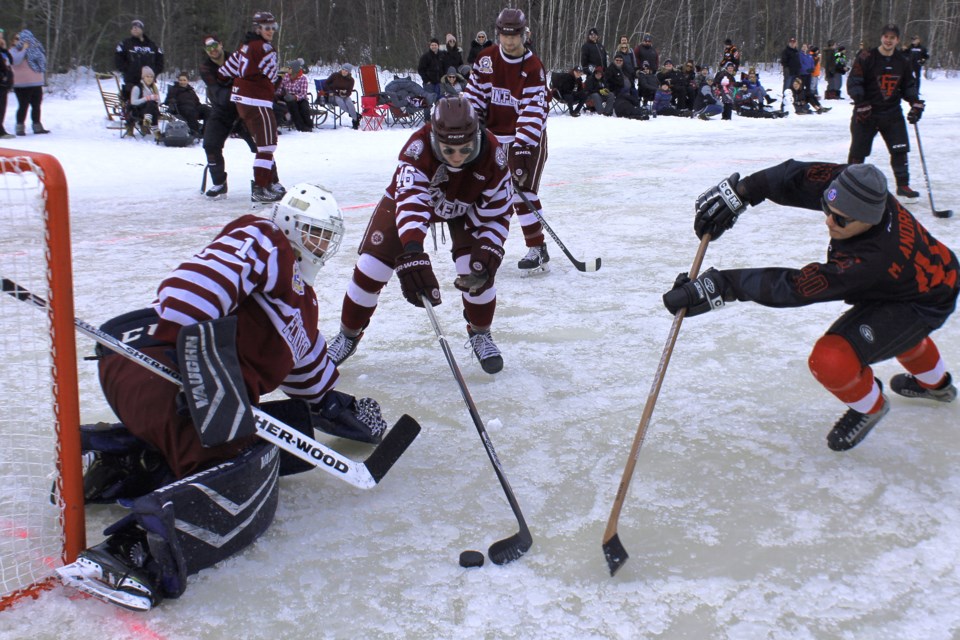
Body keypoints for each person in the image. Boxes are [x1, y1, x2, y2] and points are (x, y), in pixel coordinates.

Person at [57, 183, 395, 610]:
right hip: (160, 366)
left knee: (248, 449)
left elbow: (311, 380)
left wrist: (339, 409)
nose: (320, 245)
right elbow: (189, 293)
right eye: (313, 232)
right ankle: (128, 556)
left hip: (169, 396)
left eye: (326, 237)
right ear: (289, 223)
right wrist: (202, 366)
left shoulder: (302, 306)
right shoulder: (265, 239)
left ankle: (117, 461)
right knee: (244, 471)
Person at [665, 161, 957, 452]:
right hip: (916, 276)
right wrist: (742, 192)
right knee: (893, 332)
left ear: (868, 220)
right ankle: (938, 387)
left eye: (841, 220)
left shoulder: (869, 261)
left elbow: (796, 287)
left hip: (924, 300)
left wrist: (722, 286)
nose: (828, 221)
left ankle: (871, 405)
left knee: (832, 360)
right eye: (828, 209)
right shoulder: (851, 183)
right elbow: (796, 177)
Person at [327, 96, 514, 374]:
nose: (457, 157)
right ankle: (347, 334)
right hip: (407, 203)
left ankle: (481, 332)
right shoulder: (416, 149)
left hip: (467, 207)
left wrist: (489, 248)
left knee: (477, 271)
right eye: (448, 150)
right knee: (371, 268)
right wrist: (412, 250)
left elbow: (498, 212)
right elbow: (412, 203)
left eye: (465, 149)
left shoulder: (494, 156)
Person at [465, 8, 552, 275]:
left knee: (522, 192)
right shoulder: (486, 59)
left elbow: (533, 110)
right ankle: (481, 245)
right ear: (498, 33)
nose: (510, 41)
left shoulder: (533, 67)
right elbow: (475, 97)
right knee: (485, 192)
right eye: (505, 34)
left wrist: (522, 146)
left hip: (528, 138)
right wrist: (469, 128)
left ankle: (537, 248)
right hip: (493, 138)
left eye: (515, 35)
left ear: (525, 35)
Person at [847, 23, 924, 203]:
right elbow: (854, 81)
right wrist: (861, 102)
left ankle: (903, 185)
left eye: (893, 37)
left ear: (897, 40)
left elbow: (908, 86)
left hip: (891, 112)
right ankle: (849, 184)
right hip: (867, 112)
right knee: (859, 150)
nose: (889, 40)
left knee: (900, 149)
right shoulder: (866, 56)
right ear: (881, 37)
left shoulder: (903, 61)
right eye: (886, 37)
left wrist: (915, 103)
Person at [218, 11, 285, 204]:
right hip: (257, 101)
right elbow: (272, 77)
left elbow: (224, 71)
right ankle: (261, 187)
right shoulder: (265, 49)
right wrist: (278, 79)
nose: (271, 31)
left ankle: (269, 183)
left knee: (264, 144)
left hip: (242, 101)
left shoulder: (244, 47)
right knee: (267, 145)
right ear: (257, 29)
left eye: (273, 27)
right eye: (267, 28)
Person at [199, 35, 257, 200]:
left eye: (215, 46)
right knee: (210, 144)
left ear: (221, 44)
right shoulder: (205, 68)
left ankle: (267, 182)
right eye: (209, 48)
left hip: (244, 109)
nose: (213, 50)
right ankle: (219, 182)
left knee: (261, 146)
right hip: (221, 110)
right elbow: (218, 92)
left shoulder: (236, 59)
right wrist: (237, 88)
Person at [8, 29, 49, 135]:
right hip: (22, 84)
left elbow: (42, 60)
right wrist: (24, 50)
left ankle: (37, 126)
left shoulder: (34, 50)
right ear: (12, 41)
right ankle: (20, 127)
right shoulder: (12, 51)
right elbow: (15, 61)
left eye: (20, 38)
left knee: (36, 105)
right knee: (23, 105)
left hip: (36, 83)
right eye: (17, 39)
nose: (20, 41)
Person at [115, 19, 164, 101]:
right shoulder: (125, 44)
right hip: (132, 81)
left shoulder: (152, 45)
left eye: (137, 27)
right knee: (134, 105)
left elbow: (160, 60)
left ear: (142, 29)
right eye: (133, 28)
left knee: (150, 104)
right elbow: (118, 59)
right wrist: (127, 70)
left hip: (148, 82)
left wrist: (154, 72)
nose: (135, 29)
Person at [164, 72, 208, 137]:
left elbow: (197, 102)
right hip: (182, 109)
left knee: (207, 109)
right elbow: (167, 100)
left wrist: (201, 107)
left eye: (184, 80)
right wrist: (172, 101)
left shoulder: (190, 90)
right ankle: (195, 132)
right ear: (178, 80)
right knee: (190, 111)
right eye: (180, 80)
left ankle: (206, 131)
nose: (182, 82)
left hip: (194, 108)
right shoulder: (174, 89)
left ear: (187, 81)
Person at [277, 58, 312, 132]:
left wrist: (295, 97)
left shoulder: (303, 79)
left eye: (289, 68)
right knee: (293, 106)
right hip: (287, 97)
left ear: (294, 69)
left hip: (299, 97)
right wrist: (278, 94)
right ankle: (300, 126)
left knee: (304, 107)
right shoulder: (286, 76)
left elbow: (303, 93)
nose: (288, 70)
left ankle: (308, 125)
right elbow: (280, 87)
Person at [128, 66, 161, 139]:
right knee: (150, 103)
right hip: (138, 111)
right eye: (147, 76)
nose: (149, 79)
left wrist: (156, 99)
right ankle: (155, 129)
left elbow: (159, 102)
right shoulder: (137, 88)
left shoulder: (154, 88)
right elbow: (133, 102)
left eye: (151, 77)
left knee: (152, 105)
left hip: (152, 111)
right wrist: (147, 98)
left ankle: (148, 120)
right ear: (143, 77)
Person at [325, 63, 360, 129]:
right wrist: (331, 91)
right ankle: (356, 116)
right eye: (343, 69)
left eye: (346, 71)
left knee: (350, 103)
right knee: (340, 102)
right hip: (334, 95)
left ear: (349, 72)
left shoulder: (351, 80)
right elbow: (326, 83)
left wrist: (345, 94)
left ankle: (355, 120)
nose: (344, 71)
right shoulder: (335, 75)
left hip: (344, 95)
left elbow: (349, 91)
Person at [0, 28, 16, 138]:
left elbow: (11, 61)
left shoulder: (2, 51)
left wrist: (4, 49)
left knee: (2, 107)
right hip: (1, 81)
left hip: (4, 84)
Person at [780, 36, 801, 112]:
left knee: (794, 90)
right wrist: (786, 69)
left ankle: (793, 105)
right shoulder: (786, 51)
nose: (792, 44)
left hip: (795, 73)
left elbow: (798, 63)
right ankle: (783, 106)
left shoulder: (796, 51)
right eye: (791, 43)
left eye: (794, 42)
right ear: (789, 43)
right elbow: (783, 62)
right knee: (786, 89)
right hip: (789, 73)